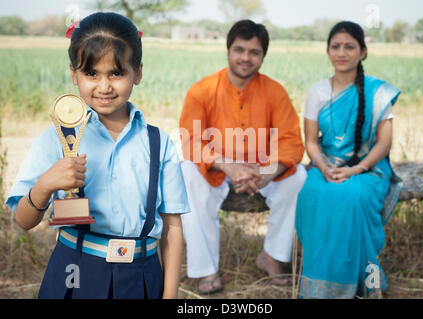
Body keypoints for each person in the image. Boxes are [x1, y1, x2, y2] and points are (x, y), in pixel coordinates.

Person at [5, 12, 190, 299]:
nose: (104, 87)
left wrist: (169, 296)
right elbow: (24, 220)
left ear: (137, 73)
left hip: (142, 275)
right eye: (91, 74)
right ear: (73, 73)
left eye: (116, 73)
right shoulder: (56, 138)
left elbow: (173, 229)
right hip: (74, 269)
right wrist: (44, 185)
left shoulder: (159, 143)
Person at [179, 19, 307, 294]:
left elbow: (291, 140)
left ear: (263, 57)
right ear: (228, 51)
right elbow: (191, 141)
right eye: (239, 49)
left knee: (298, 176)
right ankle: (206, 269)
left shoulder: (274, 91)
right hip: (217, 168)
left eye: (254, 52)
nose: (245, 58)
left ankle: (271, 256)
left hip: (262, 171)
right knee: (188, 171)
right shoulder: (202, 91)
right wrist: (229, 166)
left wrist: (267, 172)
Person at [295, 21, 402, 299]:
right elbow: (311, 142)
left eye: (349, 46)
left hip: (369, 168)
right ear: (328, 51)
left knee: (351, 194)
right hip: (325, 163)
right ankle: (320, 287)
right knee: (313, 191)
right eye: (336, 46)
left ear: (363, 52)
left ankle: (363, 281)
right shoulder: (317, 91)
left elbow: (384, 143)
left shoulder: (378, 93)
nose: (342, 52)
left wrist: (356, 169)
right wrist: (323, 166)